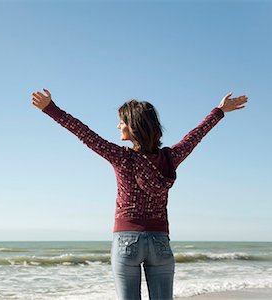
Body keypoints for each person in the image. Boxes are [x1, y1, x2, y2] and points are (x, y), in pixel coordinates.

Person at [31, 89, 248, 300]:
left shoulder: (121, 157)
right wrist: (219, 111)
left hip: (127, 241)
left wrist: (50, 109)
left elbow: (84, 134)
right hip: (160, 242)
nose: (118, 125)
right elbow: (195, 136)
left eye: (122, 122)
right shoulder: (170, 158)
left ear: (134, 127)